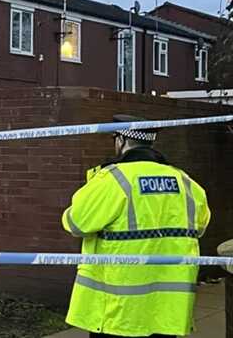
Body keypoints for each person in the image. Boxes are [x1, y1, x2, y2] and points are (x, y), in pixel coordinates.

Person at [62, 114, 211, 338]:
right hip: (167, 311)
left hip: (119, 312)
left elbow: (75, 223)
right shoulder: (186, 182)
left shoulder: (113, 180)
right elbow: (200, 226)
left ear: (121, 140)